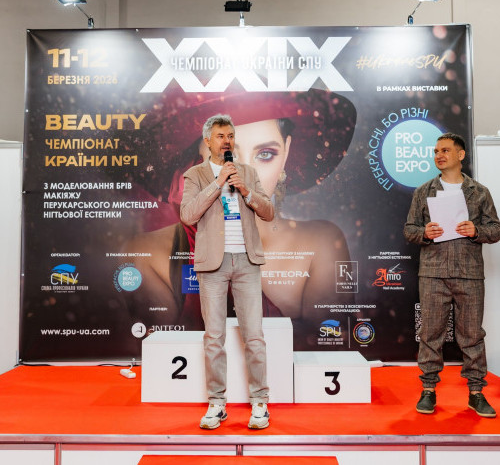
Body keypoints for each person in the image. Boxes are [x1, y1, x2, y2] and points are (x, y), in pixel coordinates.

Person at [122, 91, 356, 347]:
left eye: (265, 154)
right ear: (197, 158)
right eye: (227, 156)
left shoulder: (321, 243)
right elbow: (160, 357)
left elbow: (329, 350)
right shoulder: (147, 253)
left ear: (286, 152)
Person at [180, 114, 274, 430]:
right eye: (220, 136)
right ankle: (217, 404)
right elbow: (188, 214)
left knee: (254, 336)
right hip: (213, 264)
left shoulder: (247, 172)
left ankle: (260, 402)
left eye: (230, 136)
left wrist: (246, 191)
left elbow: (269, 212)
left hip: (247, 261)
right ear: (208, 141)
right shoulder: (195, 174)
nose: (227, 141)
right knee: (214, 337)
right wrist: (218, 183)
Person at [404, 132, 500, 418]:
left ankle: (476, 393)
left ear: (460, 155)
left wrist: (476, 230)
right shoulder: (423, 191)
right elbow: (409, 230)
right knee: (430, 333)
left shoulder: (479, 192)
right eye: (436, 151)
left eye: (445, 150)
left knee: (472, 335)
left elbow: (495, 229)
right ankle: (428, 389)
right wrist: (424, 233)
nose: (439, 155)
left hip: (469, 274)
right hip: (433, 274)